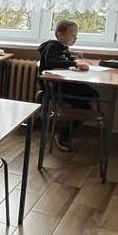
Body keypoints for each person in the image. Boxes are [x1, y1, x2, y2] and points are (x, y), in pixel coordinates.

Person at [37, 19, 97, 151]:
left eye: (76, 36)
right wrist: (74, 63)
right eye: (73, 35)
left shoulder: (63, 49)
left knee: (93, 95)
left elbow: (64, 59)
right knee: (86, 105)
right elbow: (52, 63)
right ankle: (62, 132)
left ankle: (64, 125)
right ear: (60, 35)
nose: (75, 38)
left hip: (63, 84)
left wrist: (74, 57)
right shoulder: (52, 47)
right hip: (55, 87)